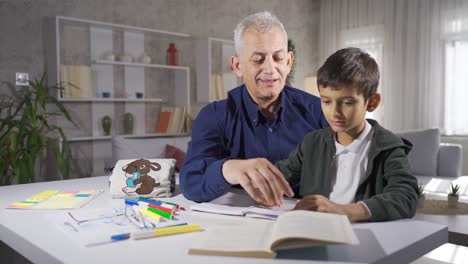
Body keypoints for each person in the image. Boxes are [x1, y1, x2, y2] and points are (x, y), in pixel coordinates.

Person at [180, 11, 328, 206]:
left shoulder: (318, 110)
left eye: (278, 58)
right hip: (241, 226)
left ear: (289, 62)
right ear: (238, 66)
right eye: (258, 59)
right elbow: (191, 183)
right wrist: (228, 169)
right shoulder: (214, 116)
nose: (270, 69)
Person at [276, 47, 419, 222]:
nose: (334, 112)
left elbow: (406, 196)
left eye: (347, 102)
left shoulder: (388, 146)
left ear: (372, 102)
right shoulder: (312, 142)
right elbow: (281, 178)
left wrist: (344, 211)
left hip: (364, 239)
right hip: (313, 232)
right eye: (326, 101)